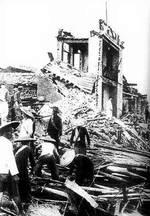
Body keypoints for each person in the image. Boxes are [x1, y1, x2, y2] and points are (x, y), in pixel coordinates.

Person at [0, 121, 22, 213]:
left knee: (1, 192)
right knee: (13, 192)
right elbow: (10, 159)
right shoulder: (8, 143)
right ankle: (16, 209)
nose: (12, 134)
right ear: (5, 132)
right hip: (4, 172)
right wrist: (15, 174)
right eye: (10, 132)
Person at [14, 137, 35, 204]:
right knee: (26, 184)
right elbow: (32, 162)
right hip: (22, 168)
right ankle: (26, 199)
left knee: (19, 182)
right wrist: (32, 171)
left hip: (14, 168)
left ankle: (20, 197)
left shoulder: (17, 148)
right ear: (28, 142)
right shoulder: (28, 148)